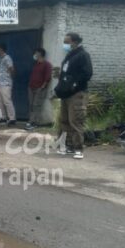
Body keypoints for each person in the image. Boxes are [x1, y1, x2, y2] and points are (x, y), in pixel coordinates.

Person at [54, 32, 92, 160]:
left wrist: (74, 85)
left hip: (77, 94)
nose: (65, 44)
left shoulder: (83, 55)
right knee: (64, 121)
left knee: (75, 120)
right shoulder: (70, 56)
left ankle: (78, 148)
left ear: (75, 42)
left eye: (67, 42)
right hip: (66, 94)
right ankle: (67, 145)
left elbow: (87, 74)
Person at [26, 48, 53, 130]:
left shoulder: (47, 64)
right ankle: (31, 121)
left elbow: (48, 77)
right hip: (31, 87)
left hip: (40, 88)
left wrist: (42, 87)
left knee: (36, 105)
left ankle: (35, 122)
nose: (35, 55)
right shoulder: (36, 64)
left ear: (40, 54)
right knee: (31, 105)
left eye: (36, 53)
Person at [0, 43, 16, 126]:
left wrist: (10, 78)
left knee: (7, 101)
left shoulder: (7, 58)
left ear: (2, 49)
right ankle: (3, 117)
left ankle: (12, 119)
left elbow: (12, 69)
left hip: (5, 83)